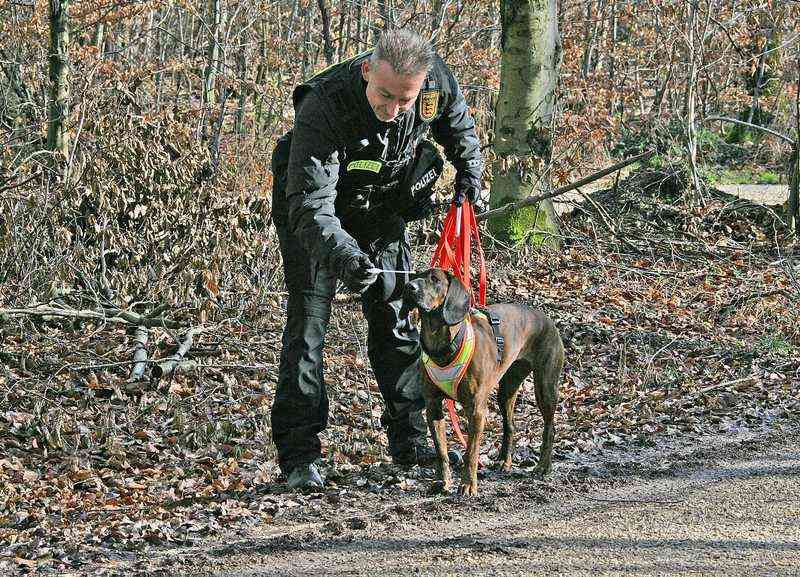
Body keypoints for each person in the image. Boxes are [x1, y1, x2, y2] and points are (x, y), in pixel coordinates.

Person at [270, 29, 484, 490]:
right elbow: (311, 205)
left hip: (383, 206)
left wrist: (470, 178)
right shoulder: (324, 106)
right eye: (384, 96)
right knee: (308, 328)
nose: (393, 110)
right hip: (312, 216)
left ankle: (411, 437)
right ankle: (299, 456)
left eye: (405, 101)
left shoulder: (434, 86)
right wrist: (346, 259)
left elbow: (460, 130)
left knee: (397, 318)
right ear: (368, 71)